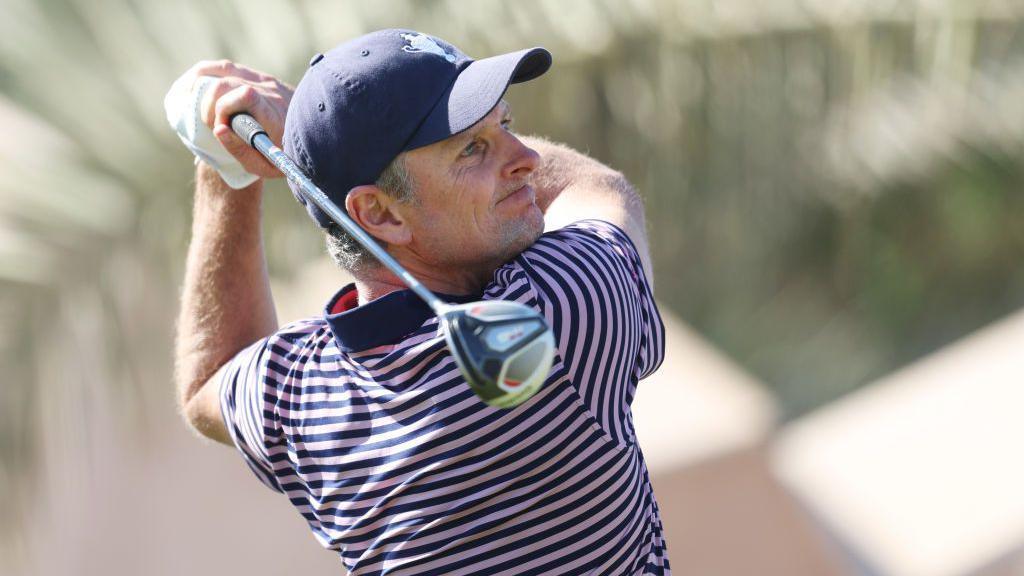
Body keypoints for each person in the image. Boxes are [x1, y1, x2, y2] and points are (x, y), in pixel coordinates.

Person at [170, 28, 668, 575]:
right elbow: (594, 186)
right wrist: (297, 127)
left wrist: (226, 170)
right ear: (380, 215)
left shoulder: (295, 395)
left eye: (505, 124)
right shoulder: (560, 310)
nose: (525, 156)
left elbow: (208, 381)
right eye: (473, 148)